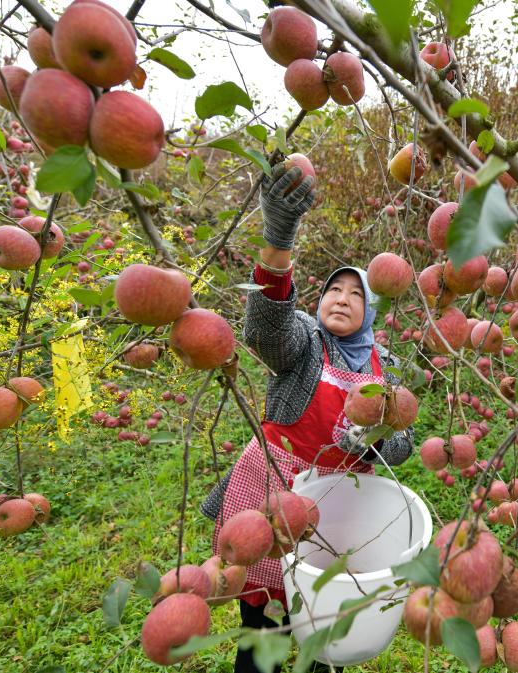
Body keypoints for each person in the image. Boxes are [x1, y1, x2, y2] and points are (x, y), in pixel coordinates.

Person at [200, 164, 416, 673]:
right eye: (333, 292)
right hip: (276, 485)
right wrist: (279, 237)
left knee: (327, 614)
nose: (342, 299)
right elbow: (265, 329)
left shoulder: (387, 369)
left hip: (341, 505)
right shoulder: (304, 340)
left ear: (373, 311)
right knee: (265, 620)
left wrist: (376, 439)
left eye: (356, 293)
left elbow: (405, 445)